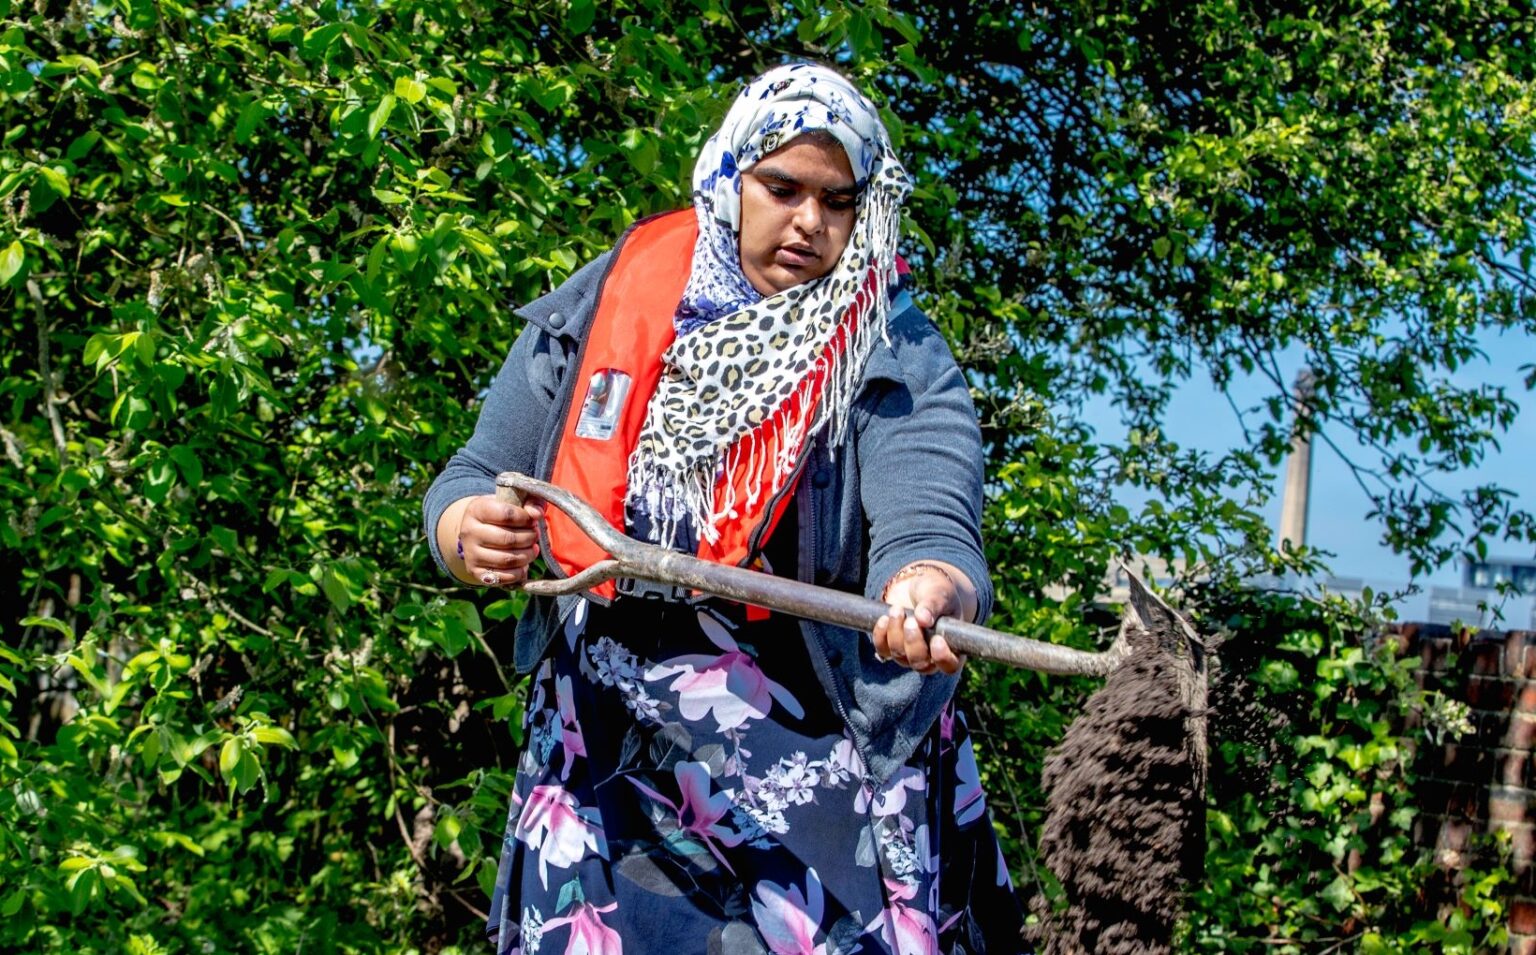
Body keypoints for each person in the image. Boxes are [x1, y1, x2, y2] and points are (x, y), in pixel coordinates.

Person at [423, 62, 1024, 954]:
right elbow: (473, 474)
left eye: (838, 200)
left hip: (817, 754)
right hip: (605, 754)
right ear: (729, 179)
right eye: (782, 188)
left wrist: (929, 583)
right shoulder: (607, 297)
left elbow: (929, 511)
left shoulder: (892, 340)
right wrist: (465, 530)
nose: (809, 221)